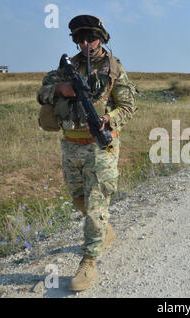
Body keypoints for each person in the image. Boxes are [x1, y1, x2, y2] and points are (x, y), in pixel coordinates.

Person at [36, 15, 137, 291]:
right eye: (80, 38)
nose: (85, 43)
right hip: (71, 144)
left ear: (101, 38)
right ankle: (104, 230)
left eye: (91, 38)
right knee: (78, 198)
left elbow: (129, 107)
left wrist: (109, 120)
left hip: (101, 145)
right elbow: (41, 94)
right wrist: (60, 89)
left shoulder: (114, 69)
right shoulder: (66, 68)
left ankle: (89, 261)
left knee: (95, 206)